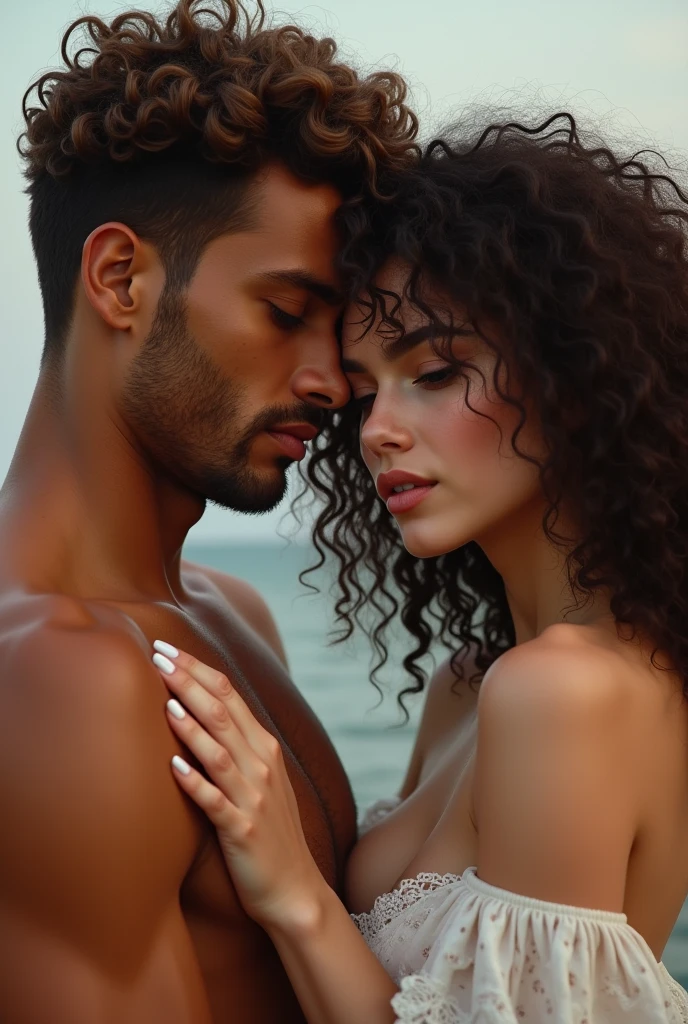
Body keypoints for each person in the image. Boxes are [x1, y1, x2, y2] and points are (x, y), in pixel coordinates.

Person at [150, 115, 688, 1021]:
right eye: (363, 391)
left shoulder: (564, 694)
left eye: (436, 372)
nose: (376, 432)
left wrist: (292, 890)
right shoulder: (469, 683)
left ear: (575, 374)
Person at [0, 0, 420, 1020]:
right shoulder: (63, 678)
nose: (334, 382)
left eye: (342, 332)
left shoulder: (230, 610)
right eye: (284, 313)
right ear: (119, 278)